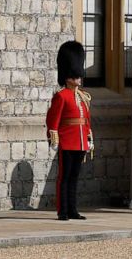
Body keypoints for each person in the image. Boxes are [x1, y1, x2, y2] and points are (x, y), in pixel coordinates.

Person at [46, 41, 94, 220]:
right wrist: (53, 138)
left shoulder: (82, 97)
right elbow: (53, 119)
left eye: (78, 76)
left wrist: (89, 138)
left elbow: (86, 120)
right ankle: (63, 210)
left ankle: (73, 209)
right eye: (75, 76)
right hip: (67, 141)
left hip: (80, 141)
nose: (78, 79)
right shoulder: (61, 96)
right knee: (64, 178)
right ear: (67, 76)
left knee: (74, 178)